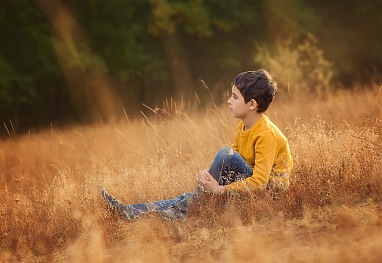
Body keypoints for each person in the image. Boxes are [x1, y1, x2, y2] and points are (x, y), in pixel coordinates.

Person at [101, 69, 293, 221]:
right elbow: (233, 166)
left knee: (224, 157)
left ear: (251, 104)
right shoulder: (242, 128)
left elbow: (260, 182)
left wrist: (219, 190)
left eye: (234, 97)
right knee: (196, 193)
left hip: (270, 196)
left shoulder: (265, 133)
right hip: (249, 188)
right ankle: (134, 211)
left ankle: (169, 211)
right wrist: (207, 177)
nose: (229, 101)